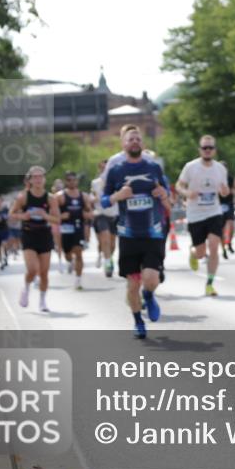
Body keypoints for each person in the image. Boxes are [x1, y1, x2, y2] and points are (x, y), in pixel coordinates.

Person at [102, 127, 170, 339]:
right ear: (123, 144)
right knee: (132, 285)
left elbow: (168, 196)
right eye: (130, 139)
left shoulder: (153, 167)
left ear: (142, 143)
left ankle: (148, 295)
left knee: (151, 278)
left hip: (153, 233)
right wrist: (118, 196)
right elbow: (104, 201)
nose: (134, 142)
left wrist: (163, 194)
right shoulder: (116, 171)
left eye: (138, 139)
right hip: (128, 235)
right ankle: (138, 321)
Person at [177, 135, 230, 296]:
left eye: (210, 148)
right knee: (201, 252)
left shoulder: (220, 169)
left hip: (214, 211)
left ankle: (210, 283)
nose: (207, 150)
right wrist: (187, 193)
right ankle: (194, 253)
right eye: (204, 148)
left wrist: (224, 191)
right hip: (195, 214)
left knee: (214, 246)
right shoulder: (190, 167)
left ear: (214, 150)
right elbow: (179, 185)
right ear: (200, 150)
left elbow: (225, 190)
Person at [9, 167, 61, 312]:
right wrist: (23, 216)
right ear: (30, 180)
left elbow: (57, 219)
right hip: (28, 234)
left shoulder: (51, 198)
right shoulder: (23, 197)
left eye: (41, 177)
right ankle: (26, 288)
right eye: (35, 177)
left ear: (44, 179)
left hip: (44, 235)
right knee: (33, 269)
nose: (38, 180)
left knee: (44, 273)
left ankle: (42, 301)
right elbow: (12, 213)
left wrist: (45, 216)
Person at [57, 171, 93, 290]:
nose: (72, 182)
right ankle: (69, 261)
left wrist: (86, 214)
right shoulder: (59, 196)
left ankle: (78, 280)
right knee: (67, 254)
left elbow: (90, 213)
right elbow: (52, 214)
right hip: (65, 229)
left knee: (79, 252)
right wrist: (62, 216)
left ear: (77, 181)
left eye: (74, 179)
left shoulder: (83, 196)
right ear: (65, 181)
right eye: (69, 180)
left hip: (78, 227)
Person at [90, 159, 118, 276]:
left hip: (114, 214)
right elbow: (92, 197)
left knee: (112, 243)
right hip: (101, 214)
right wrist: (93, 199)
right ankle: (107, 263)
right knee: (105, 238)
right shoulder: (95, 183)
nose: (104, 170)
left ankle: (108, 257)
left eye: (107, 168)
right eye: (102, 168)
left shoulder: (117, 181)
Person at [218, 162, 235, 259]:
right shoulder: (215, 179)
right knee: (221, 229)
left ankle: (229, 243)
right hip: (218, 205)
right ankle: (223, 250)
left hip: (229, 204)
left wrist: (231, 191)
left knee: (230, 225)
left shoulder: (230, 178)